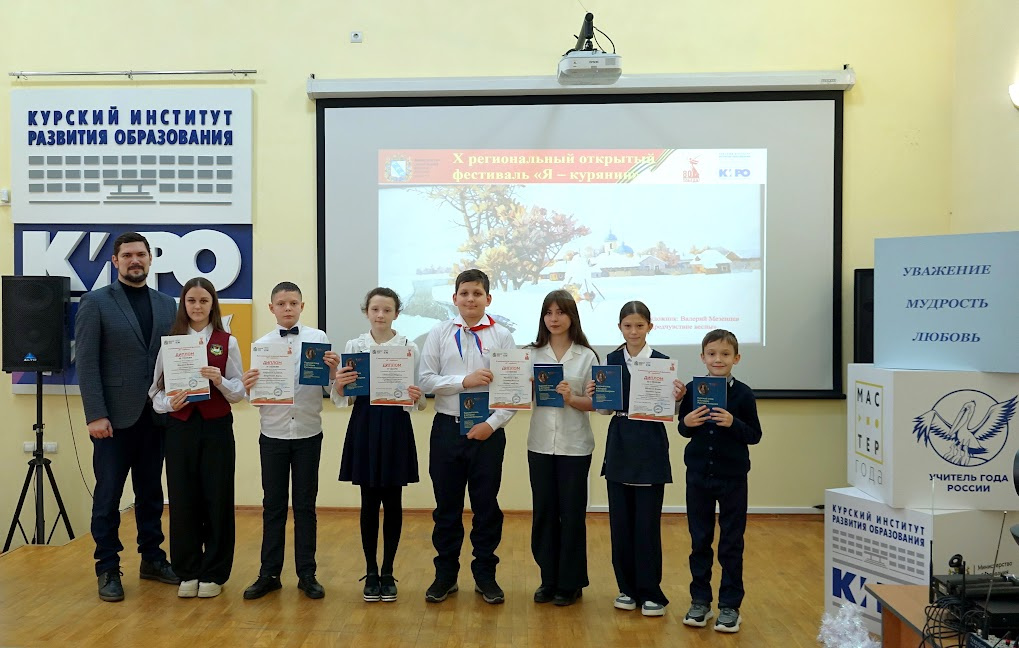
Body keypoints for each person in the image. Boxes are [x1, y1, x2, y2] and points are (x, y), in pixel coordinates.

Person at [74, 232, 180, 602]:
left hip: (156, 417)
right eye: (127, 255)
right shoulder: (95, 302)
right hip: (113, 421)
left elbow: (175, 358)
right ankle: (107, 567)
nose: (135, 260)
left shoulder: (167, 304)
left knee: (151, 494)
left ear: (150, 259)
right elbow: (86, 362)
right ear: (116, 261)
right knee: (108, 497)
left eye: (141, 254)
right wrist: (95, 415)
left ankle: (152, 559)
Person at [418, 269, 516, 604]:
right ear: (455, 298)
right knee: (446, 508)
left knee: (486, 507)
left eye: (477, 293)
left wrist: (493, 424)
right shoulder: (440, 332)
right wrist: (464, 381)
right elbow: (426, 380)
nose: (470, 299)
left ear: (488, 298)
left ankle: (485, 575)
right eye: (464, 293)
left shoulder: (502, 335)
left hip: (488, 432)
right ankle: (445, 575)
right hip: (447, 428)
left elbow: (512, 389)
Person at [585, 301, 685, 617]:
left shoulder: (662, 363)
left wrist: (678, 398)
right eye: (627, 326)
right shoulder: (611, 361)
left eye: (639, 326)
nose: (633, 331)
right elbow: (604, 410)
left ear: (649, 327)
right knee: (621, 524)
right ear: (620, 328)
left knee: (647, 526)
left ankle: (651, 592)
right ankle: (626, 589)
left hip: (651, 445)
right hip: (620, 443)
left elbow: (669, 411)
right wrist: (597, 394)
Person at [148, 277, 245, 598]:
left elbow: (239, 392)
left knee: (217, 498)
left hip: (217, 428)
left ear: (213, 304)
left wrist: (220, 381)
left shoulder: (226, 341)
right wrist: (169, 404)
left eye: (204, 300)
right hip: (181, 428)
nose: (198, 306)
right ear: (183, 304)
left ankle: (214, 572)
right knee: (182, 498)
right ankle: (187, 570)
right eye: (192, 300)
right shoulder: (171, 342)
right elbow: (155, 392)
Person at [241, 282, 339, 600]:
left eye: (293, 303)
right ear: (271, 308)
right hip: (273, 434)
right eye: (281, 303)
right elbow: (255, 400)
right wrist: (250, 387)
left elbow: (330, 389)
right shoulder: (261, 345)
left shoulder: (319, 339)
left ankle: (307, 574)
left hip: (309, 432)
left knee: (306, 506)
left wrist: (334, 373)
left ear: (302, 306)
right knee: (273, 506)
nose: (287, 308)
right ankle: (269, 574)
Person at [332, 287, 424, 603]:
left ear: (396, 313)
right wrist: (339, 384)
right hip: (365, 424)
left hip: (396, 426)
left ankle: (388, 571)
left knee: (394, 501)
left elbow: (418, 398)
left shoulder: (409, 347)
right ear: (366, 312)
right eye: (375, 309)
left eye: (387, 310)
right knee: (369, 501)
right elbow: (344, 396)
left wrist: (417, 397)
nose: (380, 315)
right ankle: (371, 572)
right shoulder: (354, 346)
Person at [677, 329, 763, 634]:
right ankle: (700, 601)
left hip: (733, 479)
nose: (718, 359)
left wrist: (733, 422)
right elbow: (684, 430)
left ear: (736, 358)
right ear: (702, 357)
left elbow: (754, 434)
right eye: (712, 354)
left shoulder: (744, 394)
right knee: (699, 540)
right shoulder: (692, 389)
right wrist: (686, 422)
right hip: (698, 477)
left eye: (725, 354)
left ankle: (730, 606)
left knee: (731, 543)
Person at [525, 290, 598, 607]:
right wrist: (524, 389)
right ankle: (548, 580)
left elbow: (596, 403)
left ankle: (570, 583)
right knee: (544, 513)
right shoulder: (530, 354)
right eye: (549, 312)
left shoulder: (586, 356)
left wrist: (571, 398)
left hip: (575, 446)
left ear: (572, 316)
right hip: (540, 444)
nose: (554, 319)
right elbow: (513, 396)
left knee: (571, 515)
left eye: (560, 312)